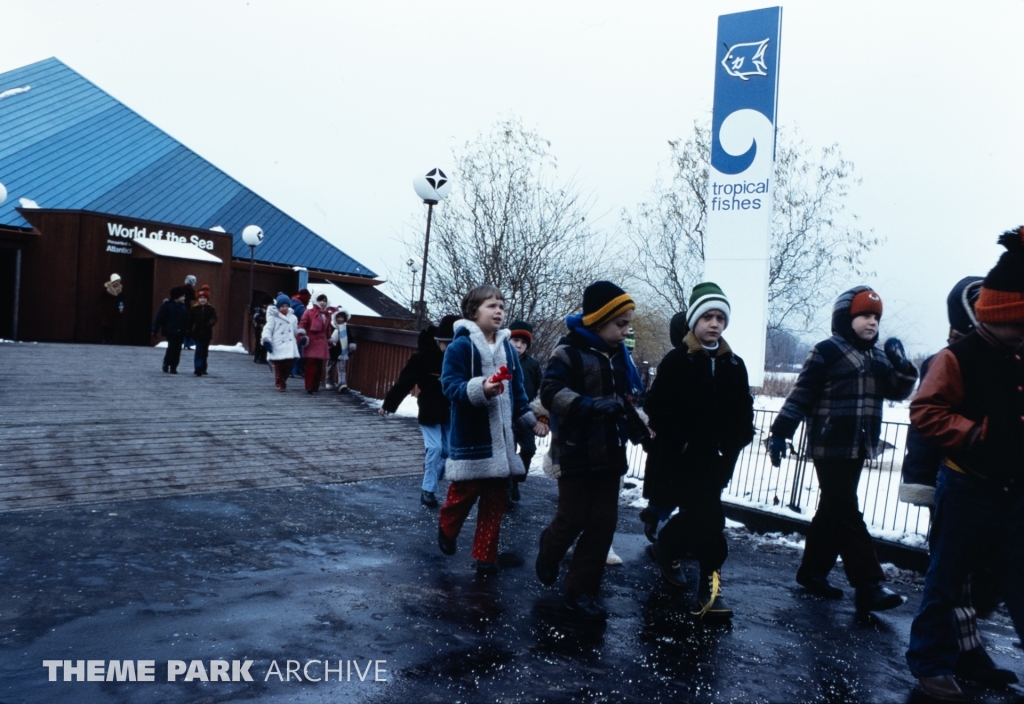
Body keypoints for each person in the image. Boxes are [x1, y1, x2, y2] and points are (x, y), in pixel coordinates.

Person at [906, 227, 1024, 701]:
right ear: (997, 316)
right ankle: (930, 662)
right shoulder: (957, 358)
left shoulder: (1018, 357)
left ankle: (967, 655)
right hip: (965, 488)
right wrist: (974, 434)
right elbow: (925, 411)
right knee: (946, 579)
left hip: (1012, 490)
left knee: (1017, 578)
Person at [768, 285, 918, 612]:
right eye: (864, 315)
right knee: (848, 511)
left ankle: (812, 573)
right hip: (829, 443)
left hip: (860, 445)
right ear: (844, 318)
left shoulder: (879, 357)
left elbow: (896, 392)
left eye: (876, 317)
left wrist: (903, 368)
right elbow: (801, 394)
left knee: (833, 509)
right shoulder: (826, 351)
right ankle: (868, 585)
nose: (872, 322)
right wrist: (780, 432)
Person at [535, 281, 650, 620]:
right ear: (598, 321)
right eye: (620, 324)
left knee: (603, 523)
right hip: (575, 451)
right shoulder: (567, 352)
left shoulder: (619, 358)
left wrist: (642, 435)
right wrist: (590, 406)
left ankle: (581, 590)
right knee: (573, 517)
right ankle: (549, 548)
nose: (626, 331)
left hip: (610, 453)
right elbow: (550, 392)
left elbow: (623, 402)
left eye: (628, 324)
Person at [644, 283, 754, 621]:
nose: (714, 324)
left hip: (719, 460)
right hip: (683, 459)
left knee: (700, 518)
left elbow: (743, 410)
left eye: (720, 317)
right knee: (711, 520)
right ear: (693, 321)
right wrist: (681, 440)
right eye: (708, 317)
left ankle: (666, 547)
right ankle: (710, 590)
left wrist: (737, 442)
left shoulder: (734, 364)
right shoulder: (678, 360)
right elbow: (656, 406)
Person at [437, 285, 542, 576]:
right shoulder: (461, 346)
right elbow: (450, 386)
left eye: (502, 306)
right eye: (491, 306)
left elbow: (517, 391)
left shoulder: (508, 347)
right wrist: (480, 388)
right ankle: (447, 527)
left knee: (496, 501)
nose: (498, 311)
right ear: (473, 311)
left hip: (503, 442)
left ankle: (485, 556)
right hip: (473, 437)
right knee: (463, 494)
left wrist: (531, 420)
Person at [380, 315, 459, 507]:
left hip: (450, 410)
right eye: (446, 344)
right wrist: (389, 404)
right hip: (430, 409)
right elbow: (405, 382)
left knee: (448, 451)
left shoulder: (459, 358)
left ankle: (431, 471)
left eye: (453, 344)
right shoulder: (423, 357)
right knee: (435, 448)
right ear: (438, 341)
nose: (449, 348)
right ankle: (428, 490)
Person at [640, 309, 690, 543]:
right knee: (669, 487)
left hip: (690, 437)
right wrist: (672, 432)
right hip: (672, 438)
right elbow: (654, 401)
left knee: (687, 490)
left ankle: (682, 537)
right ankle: (655, 518)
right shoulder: (675, 360)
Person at [507, 320, 543, 503]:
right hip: (505, 414)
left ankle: (517, 478)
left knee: (529, 449)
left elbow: (540, 389)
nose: (519, 345)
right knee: (509, 451)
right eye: (515, 340)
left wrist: (540, 415)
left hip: (525, 414)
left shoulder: (532, 364)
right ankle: (508, 489)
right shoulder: (501, 360)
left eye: (523, 342)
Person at [261, 294, 300, 391]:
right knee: (278, 366)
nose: (285, 308)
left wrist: (301, 336)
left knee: (288, 366)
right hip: (277, 345)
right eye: (282, 306)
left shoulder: (293, 318)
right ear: (278, 307)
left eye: (286, 306)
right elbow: (268, 329)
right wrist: (266, 340)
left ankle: (283, 380)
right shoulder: (273, 317)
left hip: (289, 346)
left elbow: (296, 330)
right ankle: (279, 383)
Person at [298, 293, 331, 394]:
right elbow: (302, 324)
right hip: (311, 341)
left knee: (319, 365)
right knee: (310, 364)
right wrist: (300, 335)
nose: (322, 302)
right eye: (320, 300)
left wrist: (330, 339)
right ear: (316, 300)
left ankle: (315, 386)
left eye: (324, 301)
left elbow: (328, 329)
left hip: (321, 342)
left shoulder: (327, 314)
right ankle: (309, 386)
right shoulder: (309, 312)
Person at [151, 287, 188, 374]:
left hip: (180, 331)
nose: (184, 298)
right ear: (177, 296)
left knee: (178, 349)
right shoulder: (168, 306)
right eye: (182, 296)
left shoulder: (183, 307)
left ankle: (173, 366)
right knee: (171, 348)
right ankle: (167, 363)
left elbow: (187, 320)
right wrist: (155, 329)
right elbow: (159, 318)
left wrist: (187, 330)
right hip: (171, 330)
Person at [187, 285, 217, 377]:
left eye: (204, 298)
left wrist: (211, 322)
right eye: (200, 298)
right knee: (199, 350)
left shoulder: (210, 308)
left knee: (205, 351)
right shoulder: (194, 309)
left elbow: (214, 318)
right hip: (197, 333)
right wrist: (188, 330)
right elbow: (190, 321)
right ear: (198, 299)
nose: (202, 300)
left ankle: (203, 367)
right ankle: (198, 367)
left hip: (207, 333)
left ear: (207, 299)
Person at [327, 308, 356, 393]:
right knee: (330, 367)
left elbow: (350, 337)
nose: (340, 319)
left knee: (342, 369)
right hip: (332, 350)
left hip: (342, 350)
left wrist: (352, 345)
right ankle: (329, 381)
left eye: (342, 317)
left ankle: (342, 384)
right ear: (335, 317)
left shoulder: (346, 327)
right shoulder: (331, 326)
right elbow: (327, 336)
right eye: (338, 317)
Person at [100, 273, 123, 344]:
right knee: (105, 325)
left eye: (118, 281)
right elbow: (102, 298)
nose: (117, 282)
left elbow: (121, 300)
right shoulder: (106, 289)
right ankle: (105, 339)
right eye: (116, 281)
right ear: (112, 281)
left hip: (115, 310)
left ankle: (110, 339)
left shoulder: (120, 290)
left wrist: (121, 307)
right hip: (106, 310)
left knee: (113, 325)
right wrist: (103, 307)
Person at [182, 275, 197, 350]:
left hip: (181, 308)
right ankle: (187, 343)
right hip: (187, 308)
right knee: (188, 327)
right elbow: (194, 298)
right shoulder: (191, 290)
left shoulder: (181, 288)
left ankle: (183, 342)